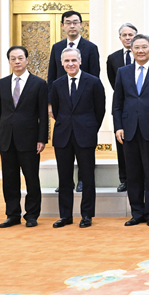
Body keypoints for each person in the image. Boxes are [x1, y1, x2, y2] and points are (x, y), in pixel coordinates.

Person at [112, 34, 149, 227]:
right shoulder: (123, 72)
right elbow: (117, 103)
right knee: (133, 174)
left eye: (144, 47)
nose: (140, 50)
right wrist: (118, 127)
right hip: (129, 129)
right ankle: (137, 213)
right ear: (131, 50)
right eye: (136, 47)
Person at [0, 46, 48, 228]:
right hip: (6, 139)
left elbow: (43, 115)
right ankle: (12, 214)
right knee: (9, 179)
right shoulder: (1, 84)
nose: (17, 61)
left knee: (31, 179)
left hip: (30, 140)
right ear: (9, 61)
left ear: (27, 60)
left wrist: (42, 139)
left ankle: (31, 215)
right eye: (13, 58)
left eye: (20, 58)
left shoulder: (39, 84)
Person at [50, 47, 105, 228]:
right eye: (67, 61)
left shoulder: (93, 82)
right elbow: (56, 110)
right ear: (62, 63)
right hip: (63, 136)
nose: (71, 64)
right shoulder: (57, 84)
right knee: (64, 178)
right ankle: (65, 215)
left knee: (87, 177)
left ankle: (87, 215)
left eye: (74, 60)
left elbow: (100, 110)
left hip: (85, 135)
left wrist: (90, 128)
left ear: (80, 61)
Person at [47, 10, 100, 193]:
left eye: (75, 22)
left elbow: (95, 76)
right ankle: (66, 182)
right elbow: (52, 77)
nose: (72, 25)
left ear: (81, 25)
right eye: (68, 22)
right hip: (63, 104)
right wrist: (50, 103)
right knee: (65, 148)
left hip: (84, 106)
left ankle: (83, 180)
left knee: (84, 150)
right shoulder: (56, 48)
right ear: (62, 26)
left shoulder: (90, 48)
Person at [106, 23, 147, 193]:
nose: (128, 38)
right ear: (120, 38)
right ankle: (124, 179)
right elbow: (114, 83)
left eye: (131, 35)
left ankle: (143, 178)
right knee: (122, 144)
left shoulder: (147, 56)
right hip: (123, 107)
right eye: (125, 35)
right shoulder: (113, 58)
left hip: (143, 109)